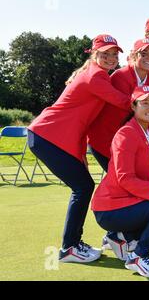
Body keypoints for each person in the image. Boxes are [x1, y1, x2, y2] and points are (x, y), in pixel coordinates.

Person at [27, 34, 131, 263]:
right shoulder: (95, 76)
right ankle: (70, 247)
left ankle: (73, 244)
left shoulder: (94, 74)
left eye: (114, 54)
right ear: (94, 54)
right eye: (105, 53)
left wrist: (80, 153)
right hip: (48, 135)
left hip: (51, 137)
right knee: (83, 187)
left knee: (83, 186)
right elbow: (124, 102)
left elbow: (85, 121)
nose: (111, 58)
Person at [91, 85, 149, 278]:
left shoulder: (148, 133)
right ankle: (138, 256)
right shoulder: (126, 134)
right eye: (145, 103)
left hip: (129, 202)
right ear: (133, 107)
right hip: (110, 208)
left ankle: (121, 237)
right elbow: (125, 178)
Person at [88, 39, 149, 172]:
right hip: (104, 138)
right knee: (121, 183)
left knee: (126, 185)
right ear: (133, 56)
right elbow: (132, 109)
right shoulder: (120, 76)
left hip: (124, 140)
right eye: (143, 54)